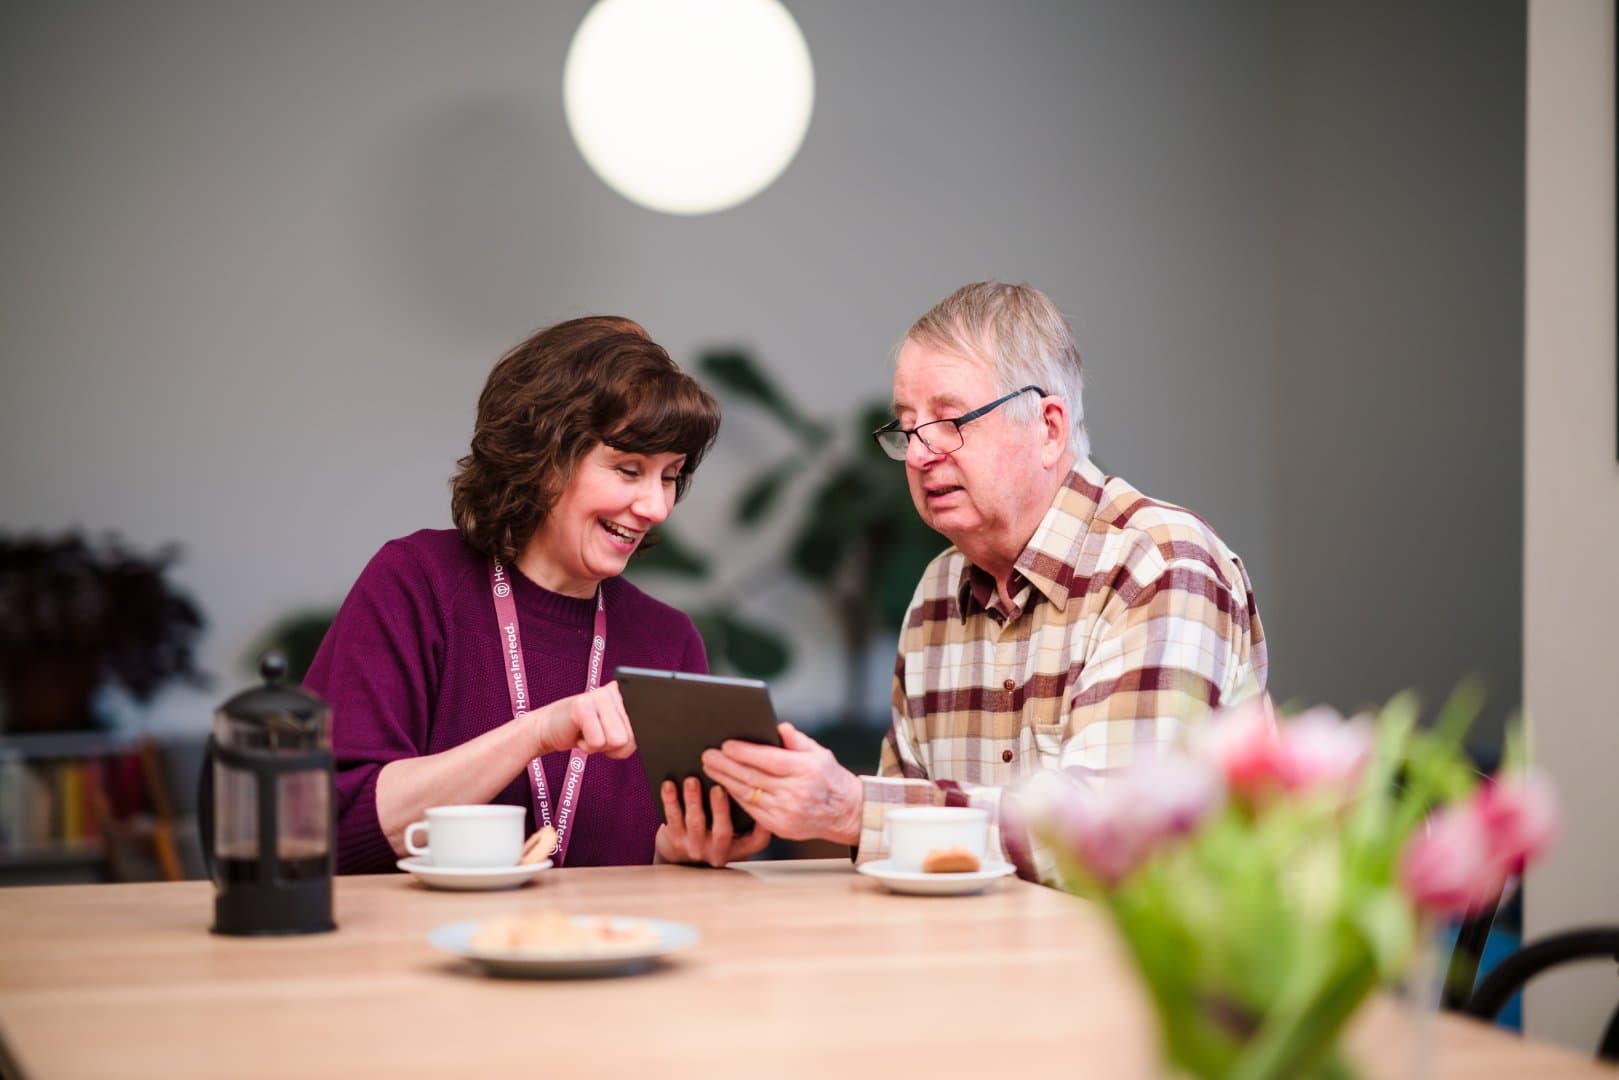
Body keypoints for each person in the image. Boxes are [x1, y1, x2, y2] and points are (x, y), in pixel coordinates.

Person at [700, 282, 1267, 882]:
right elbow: (907, 858)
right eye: (907, 426)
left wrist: (853, 810)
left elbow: (1111, 839)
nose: (919, 454)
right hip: (979, 961)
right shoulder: (935, 594)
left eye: (949, 421)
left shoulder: (1160, 565)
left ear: (1049, 427)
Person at [304, 316, 771, 873]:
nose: (656, 507)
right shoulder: (417, 583)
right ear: (546, 460)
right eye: (628, 469)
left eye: (669, 476)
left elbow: (642, 865)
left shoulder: (668, 640)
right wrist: (537, 733)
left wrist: (674, 853)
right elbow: (332, 823)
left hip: (603, 951)